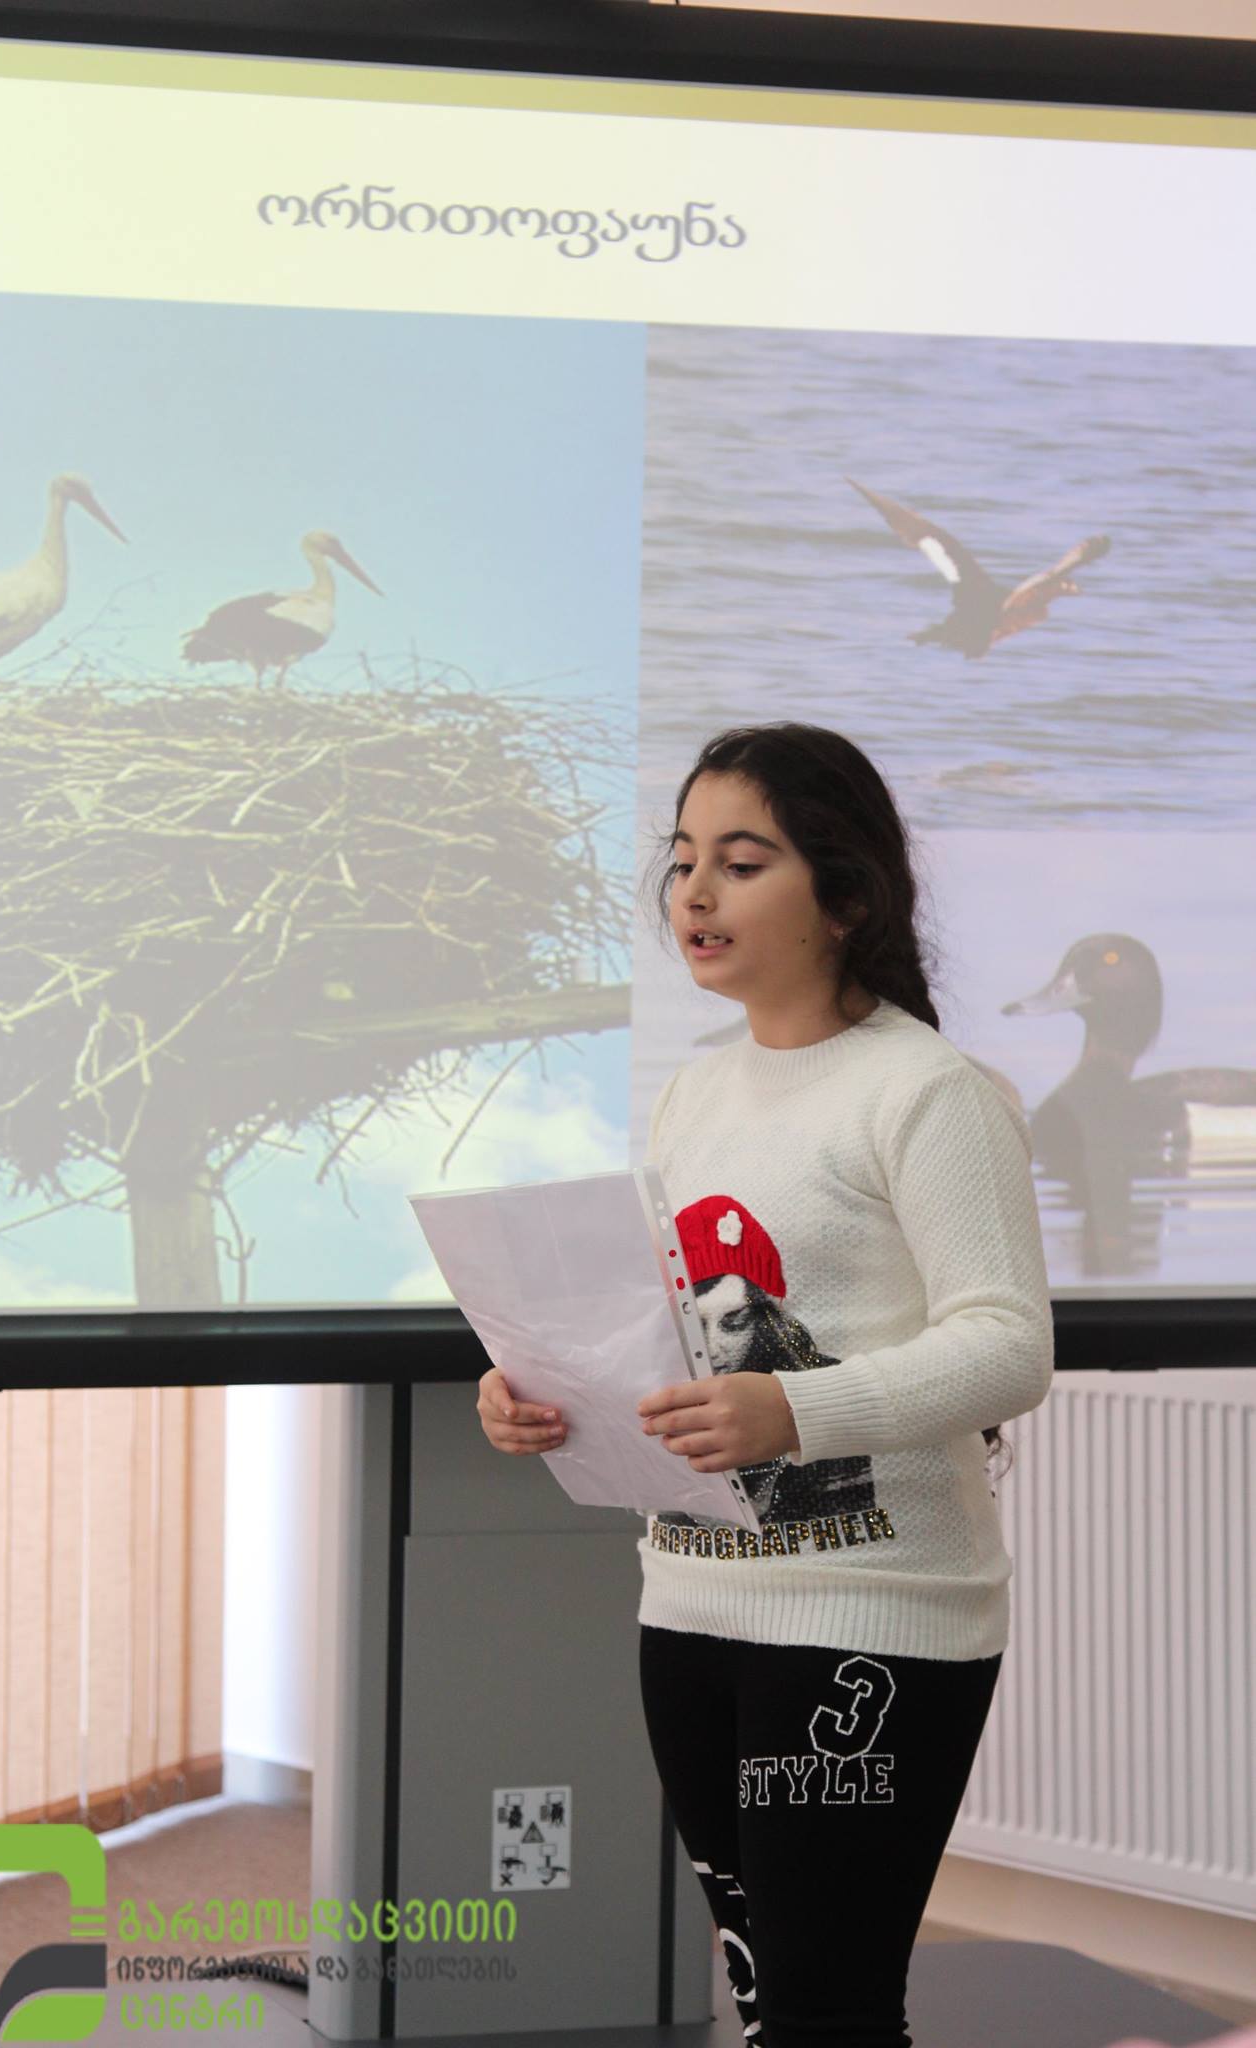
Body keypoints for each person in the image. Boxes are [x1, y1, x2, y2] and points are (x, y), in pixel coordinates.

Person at [476, 721, 1055, 2048]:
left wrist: (794, 1408)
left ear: (843, 898)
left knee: (822, 2010)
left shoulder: (928, 1092)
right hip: (689, 1600)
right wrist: (534, 1390)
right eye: (682, 860)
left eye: (740, 864)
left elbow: (1007, 1346)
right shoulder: (694, 1095)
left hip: (872, 1613)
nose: (693, 892)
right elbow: (674, 1332)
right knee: (761, 1995)